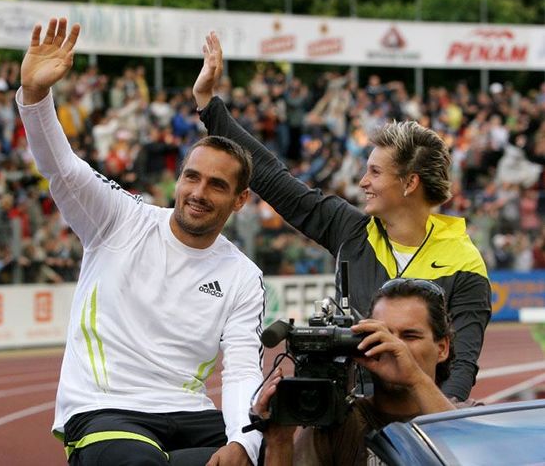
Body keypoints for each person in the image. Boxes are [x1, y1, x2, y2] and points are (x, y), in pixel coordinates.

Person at [192, 33, 491, 402]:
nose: (363, 182)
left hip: (420, 421)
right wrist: (208, 105)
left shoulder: (465, 263)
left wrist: (430, 430)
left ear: (410, 182)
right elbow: (271, 176)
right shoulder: (350, 229)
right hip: (349, 412)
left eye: (376, 173)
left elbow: (461, 368)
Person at [18, 19, 264, 466]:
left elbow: (244, 368)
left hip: (189, 413)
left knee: (278, 453)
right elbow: (62, 168)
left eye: (216, 185)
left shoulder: (244, 276)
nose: (198, 193)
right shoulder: (119, 218)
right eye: (191, 177)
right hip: (105, 408)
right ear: (178, 178)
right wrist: (35, 97)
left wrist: (242, 444)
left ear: (240, 200)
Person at [255, 278, 457, 466]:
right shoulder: (338, 423)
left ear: (442, 348)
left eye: (410, 336)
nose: (394, 346)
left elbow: (465, 449)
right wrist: (279, 444)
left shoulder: (471, 416)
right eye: (382, 335)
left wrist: (415, 379)